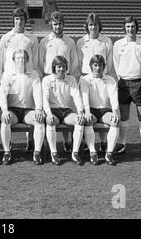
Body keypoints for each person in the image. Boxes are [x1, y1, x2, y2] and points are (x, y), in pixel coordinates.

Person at [0, 7, 41, 151]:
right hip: (11, 80)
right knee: (10, 112)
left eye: (22, 19)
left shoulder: (32, 39)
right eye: (17, 19)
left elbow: (34, 60)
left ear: (25, 20)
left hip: (27, 79)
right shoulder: (5, 38)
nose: (19, 21)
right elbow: (2, 61)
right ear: (13, 20)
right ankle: (7, 145)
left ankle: (31, 141)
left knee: (30, 107)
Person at [39, 11, 80, 153]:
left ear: (63, 24)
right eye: (55, 24)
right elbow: (40, 61)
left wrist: (69, 75)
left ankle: (67, 141)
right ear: (51, 24)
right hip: (49, 80)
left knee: (65, 106)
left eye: (60, 24)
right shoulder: (45, 41)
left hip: (65, 79)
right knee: (49, 111)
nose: (57, 26)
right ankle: (47, 145)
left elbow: (74, 61)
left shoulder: (69, 41)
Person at [76, 12, 115, 153]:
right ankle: (87, 143)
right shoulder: (81, 42)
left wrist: (105, 77)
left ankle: (104, 142)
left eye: (96, 24)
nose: (93, 27)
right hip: (86, 80)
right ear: (87, 26)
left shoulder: (107, 41)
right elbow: (79, 62)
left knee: (103, 107)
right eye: (91, 25)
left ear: (100, 26)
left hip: (102, 79)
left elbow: (109, 63)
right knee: (88, 111)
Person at [0, 49, 45, 165]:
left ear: (27, 60)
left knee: (39, 120)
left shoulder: (33, 74)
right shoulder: (8, 74)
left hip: (28, 110)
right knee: (5, 120)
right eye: (18, 58)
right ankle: (6, 152)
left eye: (23, 58)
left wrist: (39, 109)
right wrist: (4, 110)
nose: (21, 60)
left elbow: (37, 92)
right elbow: (2, 93)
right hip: (13, 110)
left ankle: (37, 152)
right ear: (14, 60)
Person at [113, 16, 141, 155]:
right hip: (123, 83)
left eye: (133, 26)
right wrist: (121, 78)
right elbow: (116, 64)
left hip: (139, 82)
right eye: (128, 26)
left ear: (136, 27)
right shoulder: (118, 44)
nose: (130, 29)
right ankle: (122, 143)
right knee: (124, 116)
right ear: (124, 28)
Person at [42, 56, 85, 165]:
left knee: (79, 121)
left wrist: (80, 111)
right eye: (59, 67)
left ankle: (75, 153)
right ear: (54, 68)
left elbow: (76, 96)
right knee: (50, 121)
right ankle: (54, 153)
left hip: (67, 112)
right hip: (53, 111)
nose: (61, 69)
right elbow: (45, 99)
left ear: (67, 68)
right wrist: (48, 114)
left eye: (63, 67)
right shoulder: (46, 80)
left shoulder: (71, 79)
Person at [79, 55, 120, 166]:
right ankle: (93, 152)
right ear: (91, 66)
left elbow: (113, 97)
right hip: (91, 111)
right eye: (95, 65)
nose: (98, 68)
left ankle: (109, 153)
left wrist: (115, 111)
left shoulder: (110, 80)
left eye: (100, 65)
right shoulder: (84, 79)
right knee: (88, 120)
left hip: (105, 111)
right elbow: (85, 96)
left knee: (115, 121)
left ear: (104, 67)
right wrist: (87, 111)